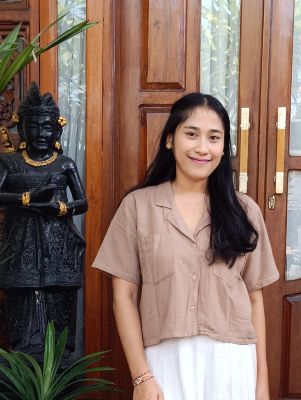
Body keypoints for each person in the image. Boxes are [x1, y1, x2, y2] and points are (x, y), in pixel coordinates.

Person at [93, 93, 279, 400]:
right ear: (170, 139)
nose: (202, 148)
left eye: (214, 138)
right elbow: (123, 296)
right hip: (165, 362)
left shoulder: (245, 211)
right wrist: (141, 377)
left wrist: (261, 384)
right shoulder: (138, 207)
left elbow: (255, 300)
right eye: (191, 134)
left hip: (232, 363)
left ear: (223, 148)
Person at [0, 82, 87, 357]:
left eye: (47, 127)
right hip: (20, 247)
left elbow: (82, 202)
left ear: (57, 131)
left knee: (58, 304)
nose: (41, 133)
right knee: (23, 301)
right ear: (22, 128)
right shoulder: (9, 163)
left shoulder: (65, 164)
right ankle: (24, 356)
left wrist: (59, 208)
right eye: (34, 126)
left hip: (58, 247)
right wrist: (26, 198)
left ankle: (59, 358)